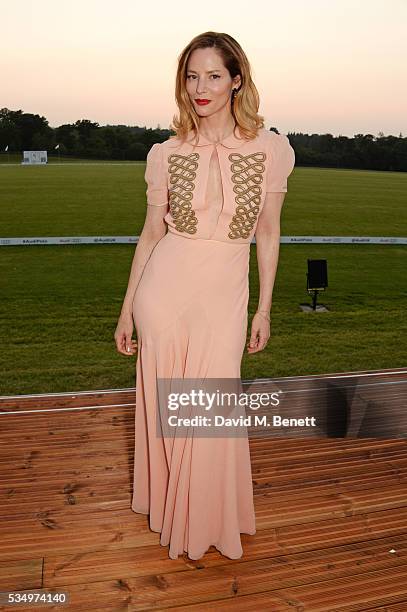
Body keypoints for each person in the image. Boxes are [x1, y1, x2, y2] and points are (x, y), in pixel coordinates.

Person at [114, 31, 295, 560]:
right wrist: (127, 308)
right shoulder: (164, 153)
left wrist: (264, 308)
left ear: (236, 81)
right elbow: (150, 234)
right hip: (164, 289)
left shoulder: (271, 149)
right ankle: (174, 510)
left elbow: (267, 232)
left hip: (226, 291)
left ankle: (204, 519)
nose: (201, 87)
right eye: (192, 76)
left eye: (214, 75)